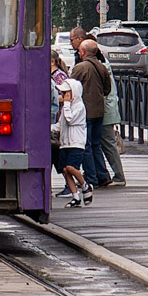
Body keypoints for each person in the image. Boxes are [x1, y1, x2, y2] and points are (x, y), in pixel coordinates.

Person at [71, 38, 112, 188]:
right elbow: (107, 89)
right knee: (96, 145)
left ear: (83, 52)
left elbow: (71, 89)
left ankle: (91, 177)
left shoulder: (80, 68)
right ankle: (103, 175)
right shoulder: (102, 67)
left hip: (84, 113)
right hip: (99, 112)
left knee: (85, 146)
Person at [54, 77, 92, 207]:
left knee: (71, 167)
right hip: (65, 143)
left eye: (66, 93)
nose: (63, 95)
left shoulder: (79, 107)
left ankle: (85, 185)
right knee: (65, 170)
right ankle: (75, 196)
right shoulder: (67, 108)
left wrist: (66, 104)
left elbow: (70, 119)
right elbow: (60, 125)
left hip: (76, 143)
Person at [99, 46, 127, 187]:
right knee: (107, 143)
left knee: (109, 144)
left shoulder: (103, 68)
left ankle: (119, 175)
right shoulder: (105, 67)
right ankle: (110, 174)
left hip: (106, 111)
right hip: (107, 110)